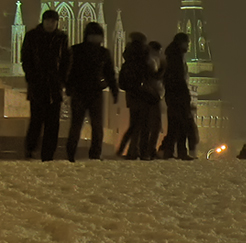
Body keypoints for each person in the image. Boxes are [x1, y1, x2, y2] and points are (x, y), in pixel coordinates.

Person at [21, 9, 72, 161]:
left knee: (53, 123)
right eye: (48, 21)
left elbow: (66, 61)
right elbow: (26, 58)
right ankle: (30, 149)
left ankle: (48, 155)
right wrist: (32, 77)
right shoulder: (32, 36)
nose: (51, 24)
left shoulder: (61, 38)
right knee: (36, 120)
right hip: (38, 85)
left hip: (54, 86)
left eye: (54, 21)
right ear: (43, 21)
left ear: (57, 22)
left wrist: (62, 80)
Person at [65, 22, 119, 162]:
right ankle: (80, 153)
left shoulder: (98, 52)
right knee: (83, 124)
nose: (98, 39)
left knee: (91, 125)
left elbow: (110, 73)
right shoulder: (79, 51)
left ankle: (87, 153)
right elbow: (70, 71)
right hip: (85, 92)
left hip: (90, 92)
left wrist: (114, 90)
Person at [118, 33, 152, 160]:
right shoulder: (144, 61)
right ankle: (143, 152)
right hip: (143, 96)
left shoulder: (127, 62)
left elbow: (122, 83)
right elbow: (151, 76)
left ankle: (127, 150)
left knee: (134, 125)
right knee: (144, 126)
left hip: (131, 97)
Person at [161, 33, 195, 160]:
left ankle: (170, 151)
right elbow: (178, 79)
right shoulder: (176, 58)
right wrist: (185, 96)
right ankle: (180, 152)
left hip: (173, 96)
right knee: (181, 125)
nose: (188, 45)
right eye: (186, 43)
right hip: (178, 96)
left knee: (175, 125)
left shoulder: (172, 56)